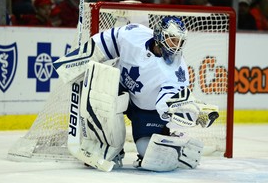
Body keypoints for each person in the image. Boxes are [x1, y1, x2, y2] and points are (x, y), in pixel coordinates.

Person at [62, 16, 219, 171]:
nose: (176, 46)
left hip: (146, 108)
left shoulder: (177, 70)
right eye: (173, 39)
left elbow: (166, 103)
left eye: (179, 42)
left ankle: (177, 146)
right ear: (159, 35)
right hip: (119, 86)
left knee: (148, 151)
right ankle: (108, 149)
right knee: (101, 94)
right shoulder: (134, 34)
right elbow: (108, 40)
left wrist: (188, 111)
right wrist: (79, 60)